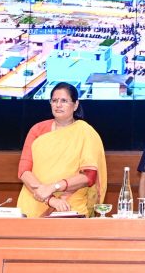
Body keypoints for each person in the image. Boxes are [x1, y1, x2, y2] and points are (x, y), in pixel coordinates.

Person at [17, 82, 107, 217]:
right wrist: (50, 199)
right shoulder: (37, 130)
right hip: (34, 203)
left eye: (64, 101)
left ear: (75, 105)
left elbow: (89, 176)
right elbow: (24, 171)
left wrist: (54, 187)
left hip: (69, 206)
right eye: (54, 100)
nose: (58, 105)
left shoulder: (85, 132)